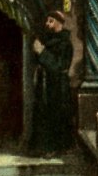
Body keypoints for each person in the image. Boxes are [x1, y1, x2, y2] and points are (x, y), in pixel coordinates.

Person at [27, 10, 74, 156]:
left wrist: (42, 52)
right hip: (45, 85)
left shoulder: (65, 43)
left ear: (59, 23)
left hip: (58, 87)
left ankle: (55, 148)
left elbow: (60, 66)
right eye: (47, 21)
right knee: (43, 114)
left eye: (51, 21)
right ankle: (43, 148)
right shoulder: (48, 40)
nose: (47, 24)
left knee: (56, 115)